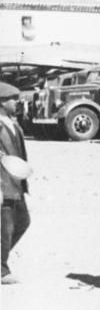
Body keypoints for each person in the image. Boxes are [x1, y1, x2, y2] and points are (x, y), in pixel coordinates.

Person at [0, 82, 31, 285]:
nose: (17, 102)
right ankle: (2, 271)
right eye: (13, 99)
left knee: (23, 221)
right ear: (2, 102)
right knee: (5, 227)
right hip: (3, 184)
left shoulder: (12, 123)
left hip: (16, 183)